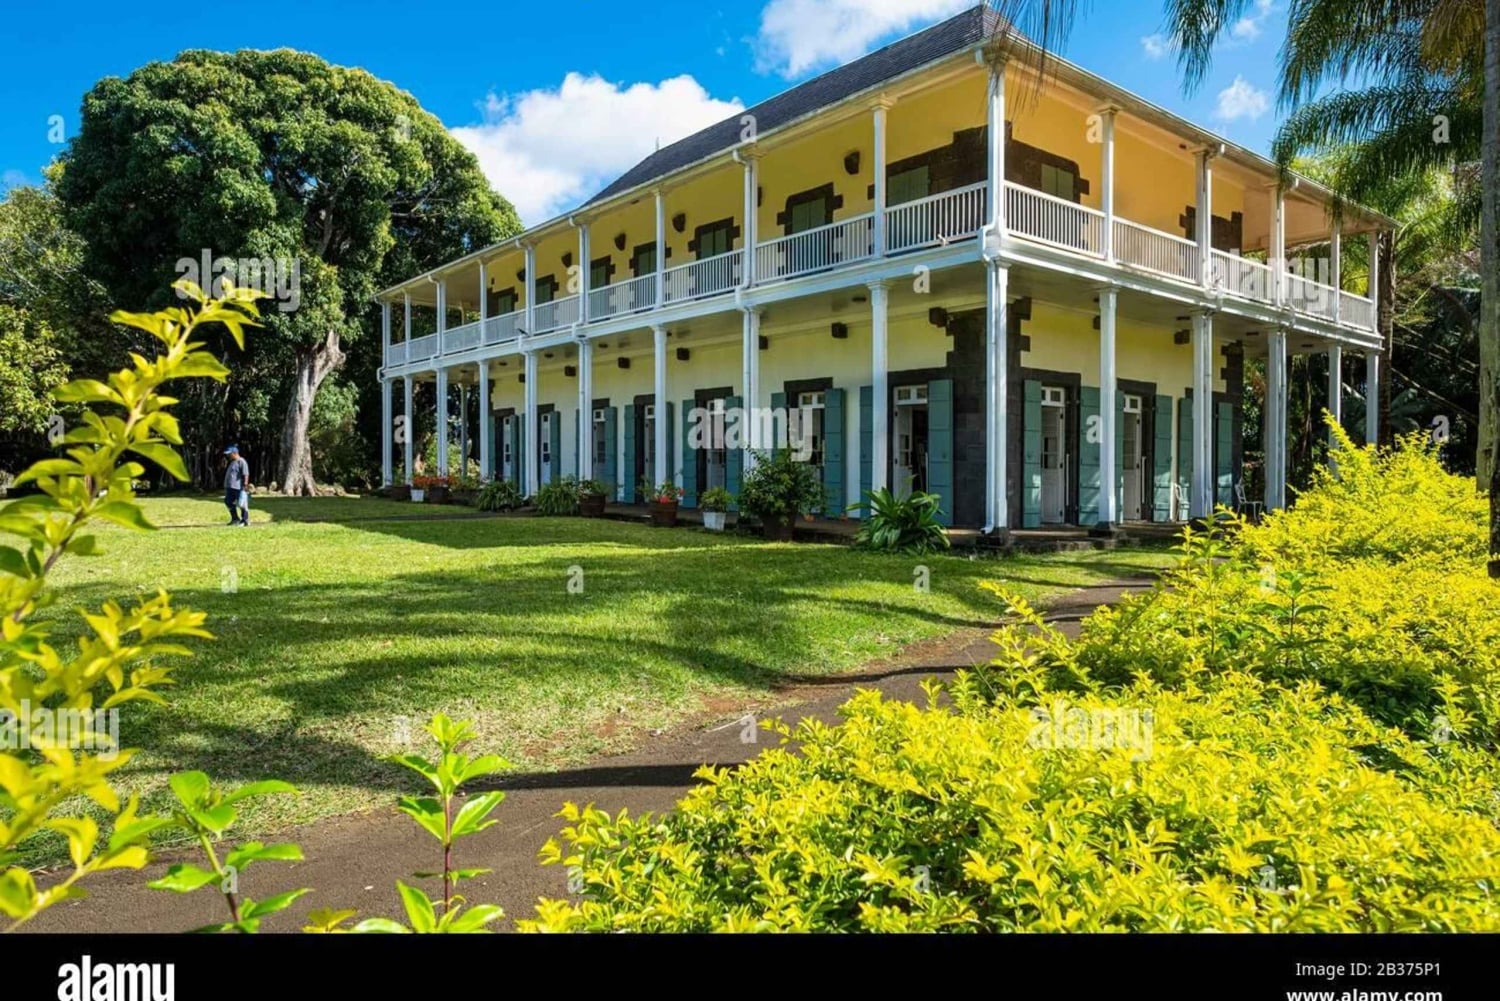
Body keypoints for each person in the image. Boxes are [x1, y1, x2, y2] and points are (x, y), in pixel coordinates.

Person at [223, 445, 251, 526]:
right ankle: (235, 518)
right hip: (230, 487)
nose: (228, 455)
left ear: (234, 453)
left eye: (229, 454)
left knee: (242, 503)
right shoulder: (232, 462)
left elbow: (246, 474)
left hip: (238, 487)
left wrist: (245, 485)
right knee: (228, 501)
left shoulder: (241, 461)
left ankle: (245, 520)